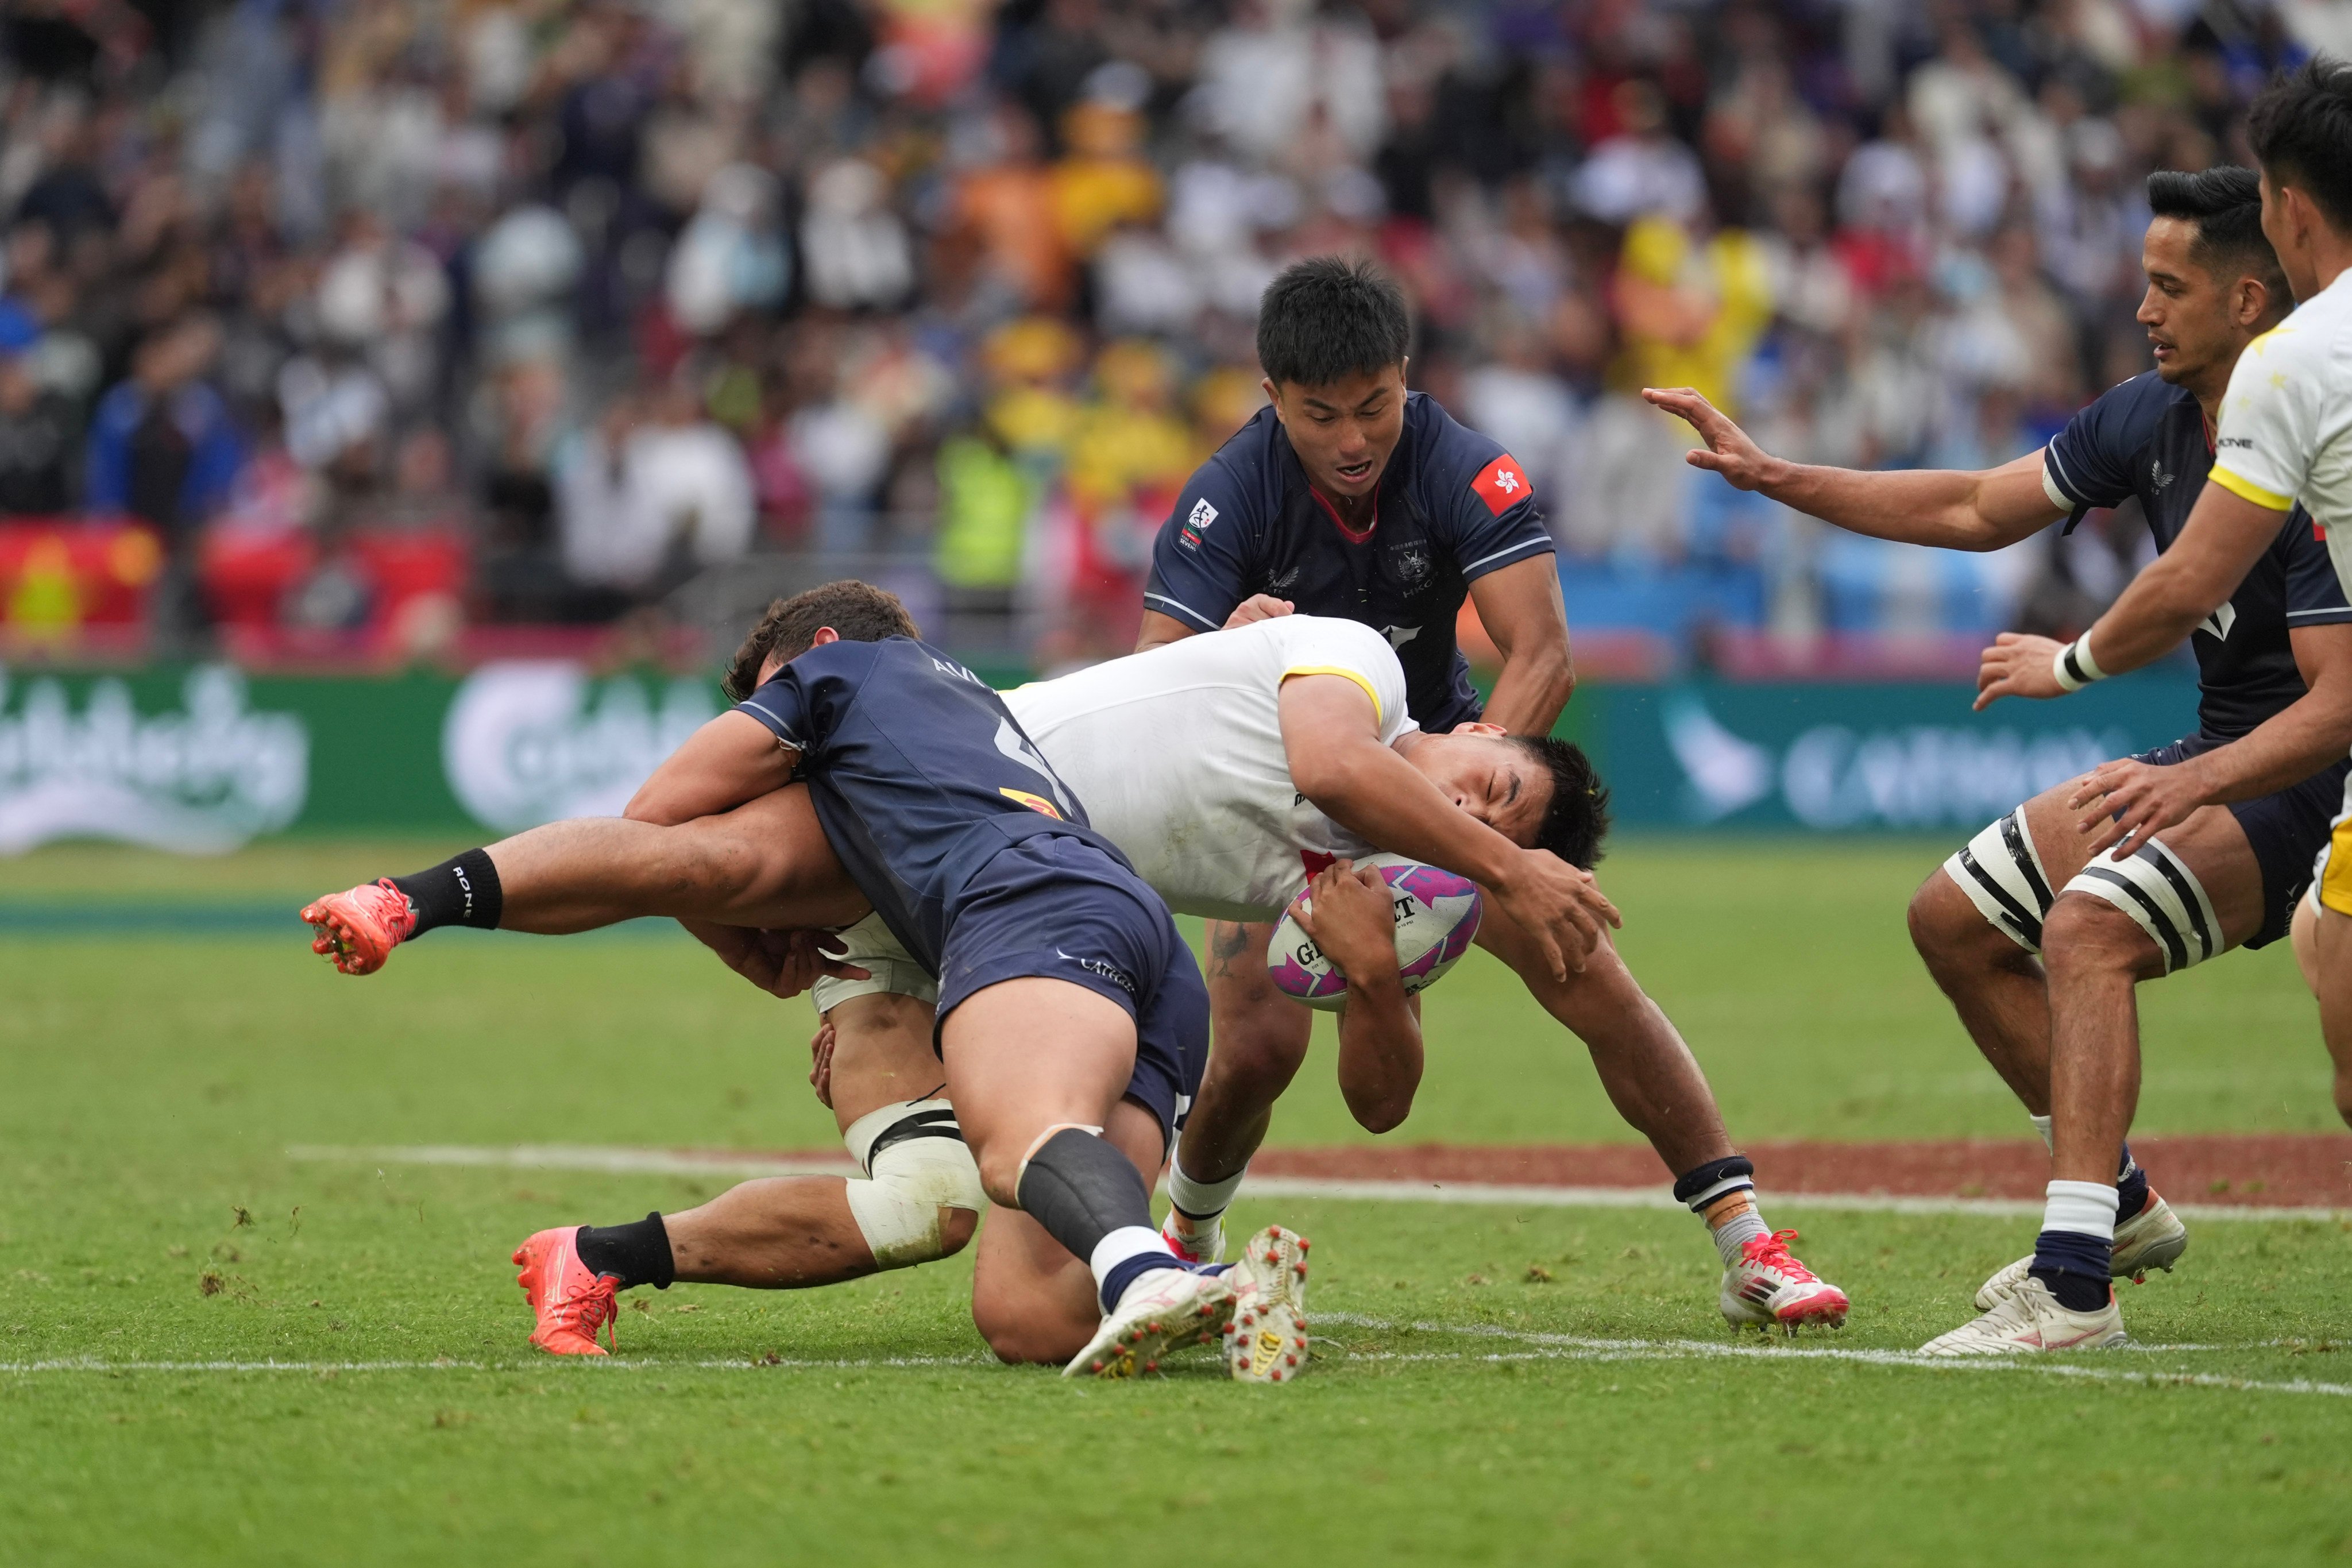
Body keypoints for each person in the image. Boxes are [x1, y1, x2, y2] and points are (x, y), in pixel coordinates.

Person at [1650, 157, 2352, 1355]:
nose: (2140, 309)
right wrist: (1777, 479)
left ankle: (2072, 1286)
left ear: (2249, 299)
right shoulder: (2147, 415)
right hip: (2217, 748)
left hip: (2299, 775)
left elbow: (2319, 691)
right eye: (2140, 281)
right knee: (1952, 920)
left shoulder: (2314, 448)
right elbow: (1978, 508)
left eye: (2168, 287)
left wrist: (2075, 667)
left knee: (2085, 931)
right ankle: (2118, 1208)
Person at [300, 582, 1296, 1380]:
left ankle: (1148, 1272)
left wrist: (729, 936)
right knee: (1019, 1304)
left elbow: (652, 827)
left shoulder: (845, 674)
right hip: (1118, 935)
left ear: (814, 649)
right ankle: (1214, 1288)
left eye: (761, 692)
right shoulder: (961, 715)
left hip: (1024, 905)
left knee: (1016, 1141)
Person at [1121, 257, 1843, 1330]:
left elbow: (1542, 649)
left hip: (1430, 775)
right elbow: (1151, 680)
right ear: (1272, 398)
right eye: (1322, 417)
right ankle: (1188, 1244)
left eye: (1375, 406)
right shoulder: (1229, 494)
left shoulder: (1466, 466)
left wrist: (1455, 803)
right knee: (1259, 1050)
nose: (1356, 439)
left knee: (1588, 970)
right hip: (1278, 804)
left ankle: (1751, 1246)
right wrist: (1223, 649)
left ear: (1405, 375)